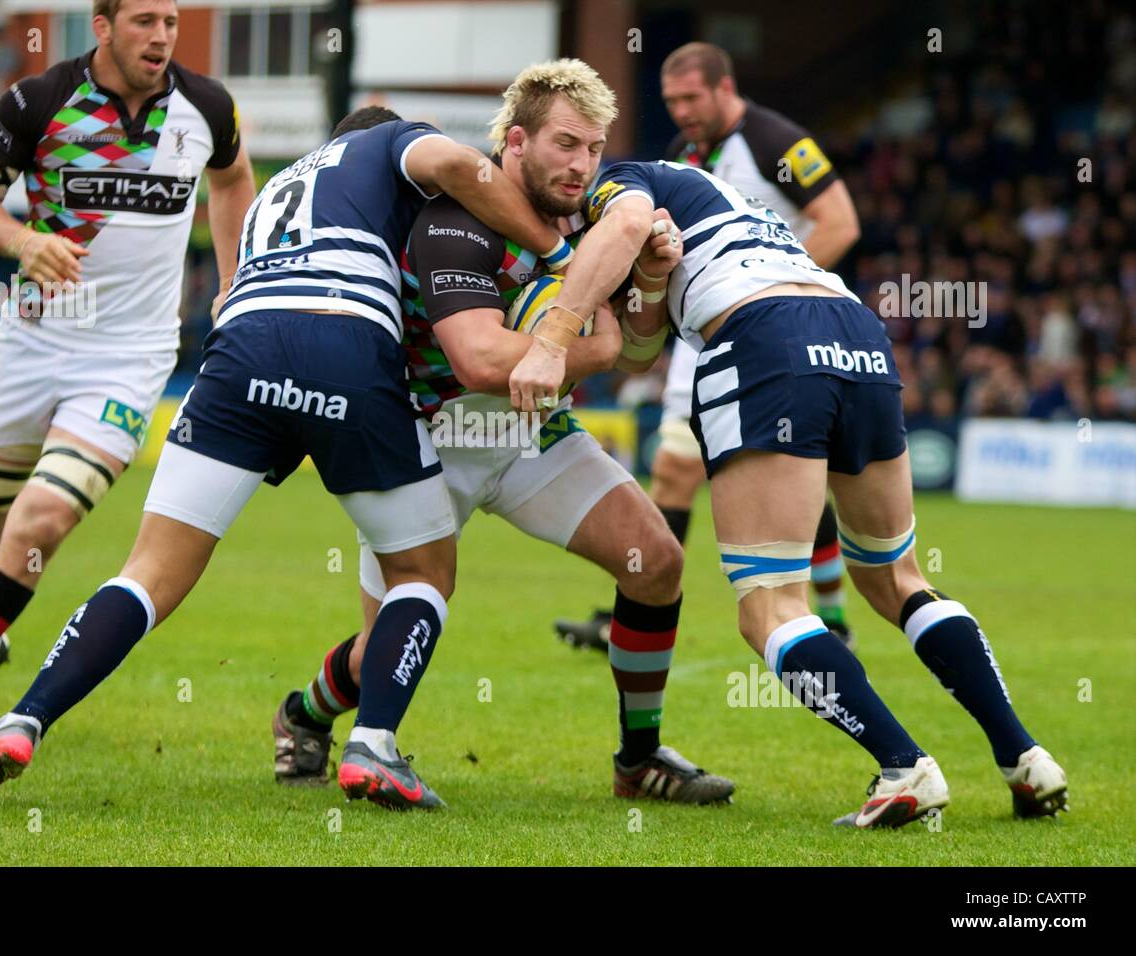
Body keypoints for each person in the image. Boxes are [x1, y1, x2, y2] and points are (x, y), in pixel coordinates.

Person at [0, 103, 580, 809]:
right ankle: (375, 746)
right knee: (422, 572)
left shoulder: (279, 184)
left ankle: (23, 719)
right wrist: (557, 248)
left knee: (147, 573)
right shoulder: (388, 143)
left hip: (240, 353)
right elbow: (457, 166)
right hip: (343, 338)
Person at [507, 157, 1068, 827]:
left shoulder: (621, 184)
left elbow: (626, 238)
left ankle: (903, 767)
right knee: (896, 577)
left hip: (763, 338)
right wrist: (652, 277)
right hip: (856, 331)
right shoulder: (722, 202)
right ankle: (1026, 757)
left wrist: (555, 332)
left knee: (767, 607)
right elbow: (643, 345)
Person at [272, 61, 733, 808]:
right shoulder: (453, 218)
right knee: (387, 648)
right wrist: (593, 345)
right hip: (428, 441)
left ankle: (638, 759)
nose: (582, 164)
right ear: (515, 142)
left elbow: (641, 351)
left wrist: (648, 279)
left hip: (533, 439)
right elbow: (483, 360)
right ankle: (305, 714)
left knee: (657, 563)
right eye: (564, 144)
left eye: (593, 146)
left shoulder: (588, 217)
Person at [0, 0, 256, 751]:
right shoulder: (38, 100)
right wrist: (24, 241)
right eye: (144, 20)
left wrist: (233, 282)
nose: (161, 37)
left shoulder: (208, 107)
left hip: (130, 360)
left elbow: (232, 178)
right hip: (30, 345)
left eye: (172, 22)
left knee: (42, 521)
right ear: (102, 22)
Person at [554, 41, 862, 651]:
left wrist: (768, 292)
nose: (682, 111)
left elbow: (841, 222)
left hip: (774, 328)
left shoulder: (777, 141)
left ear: (725, 88)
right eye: (671, 102)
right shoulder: (680, 157)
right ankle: (634, 610)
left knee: (789, 470)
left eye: (692, 98)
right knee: (672, 470)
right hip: (700, 333)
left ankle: (834, 617)